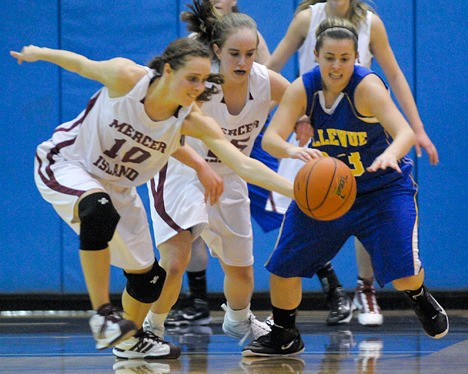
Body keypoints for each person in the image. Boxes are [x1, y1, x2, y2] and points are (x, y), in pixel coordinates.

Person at [10, 37, 294, 359]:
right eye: (192, 78)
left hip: (119, 188)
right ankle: (103, 313)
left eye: (204, 81)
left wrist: (295, 191)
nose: (198, 88)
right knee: (97, 211)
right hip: (70, 162)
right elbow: (79, 63)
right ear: (168, 70)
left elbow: (243, 164)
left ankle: (130, 341)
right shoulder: (127, 78)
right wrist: (39, 52)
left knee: (149, 281)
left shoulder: (191, 119)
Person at [242, 16, 449, 357]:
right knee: (282, 266)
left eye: (344, 59)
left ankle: (418, 295)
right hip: (330, 193)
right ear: (316, 56)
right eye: (329, 58)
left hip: (381, 191)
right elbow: (272, 138)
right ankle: (284, 334)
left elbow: (405, 133)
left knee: (404, 277)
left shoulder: (367, 88)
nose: (337, 66)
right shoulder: (302, 89)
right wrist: (292, 149)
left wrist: (391, 156)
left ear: (356, 58)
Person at [143, 2, 290, 344]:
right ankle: (152, 327)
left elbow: (302, 97)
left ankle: (239, 321)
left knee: (241, 269)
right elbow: (169, 132)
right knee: (177, 258)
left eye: (250, 54)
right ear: (216, 51)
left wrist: (302, 117)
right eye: (234, 53)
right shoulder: (198, 82)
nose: (243, 62)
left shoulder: (265, 81)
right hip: (180, 167)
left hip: (229, 172)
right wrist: (201, 168)